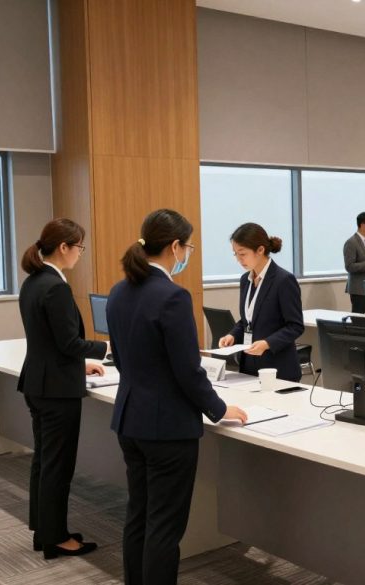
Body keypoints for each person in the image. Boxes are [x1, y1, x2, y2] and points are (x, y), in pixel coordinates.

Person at [107, 209, 247, 585]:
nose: (187, 253)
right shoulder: (172, 296)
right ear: (174, 246)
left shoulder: (119, 291)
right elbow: (188, 371)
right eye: (187, 246)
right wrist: (219, 409)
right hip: (167, 429)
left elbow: (120, 359)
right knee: (164, 527)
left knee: (139, 513)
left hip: (130, 420)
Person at [17, 219, 107, 559]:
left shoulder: (33, 282)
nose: (80, 254)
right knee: (58, 466)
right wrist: (104, 350)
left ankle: (44, 531)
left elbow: (48, 341)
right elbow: (69, 342)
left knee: (44, 461)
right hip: (57, 391)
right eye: (79, 247)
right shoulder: (55, 286)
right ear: (64, 247)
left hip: (39, 382)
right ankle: (56, 539)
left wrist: (79, 363)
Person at [218, 223, 305, 382]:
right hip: (249, 367)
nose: (238, 259)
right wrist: (232, 335)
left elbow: (295, 326)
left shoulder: (283, 280)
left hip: (278, 368)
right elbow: (247, 321)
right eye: (235, 254)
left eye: (242, 254)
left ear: (260, 250)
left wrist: (267, 343)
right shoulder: (246, 280)